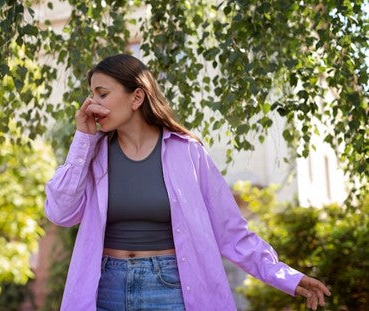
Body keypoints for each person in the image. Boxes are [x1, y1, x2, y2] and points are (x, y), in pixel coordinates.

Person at [45, 54, 331, 311]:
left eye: (102, 93)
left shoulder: (188, 152)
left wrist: (285, 276)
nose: (91, 103)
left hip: (170, 288)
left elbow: (231, 230)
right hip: (105, 289)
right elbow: (60, 212)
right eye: (91, 94)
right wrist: (83, 139)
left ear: (137, 98)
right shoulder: (94, 154)